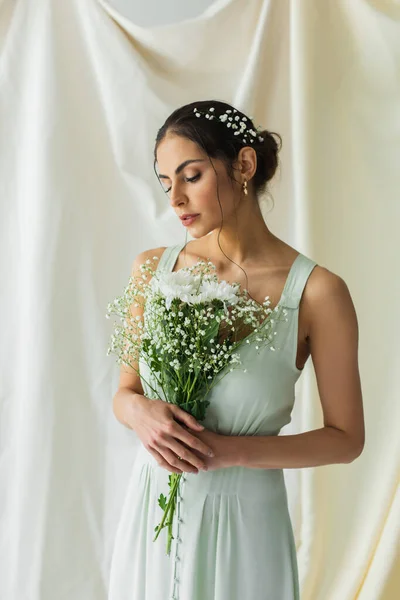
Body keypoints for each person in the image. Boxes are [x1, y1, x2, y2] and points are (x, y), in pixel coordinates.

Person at [108, 100, 365, 600]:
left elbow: (346, 438)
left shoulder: (317, 293)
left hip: (247, 527)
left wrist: (232, 452)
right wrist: (138, 411)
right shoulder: (151, 271)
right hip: (153, 515)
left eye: (192, 175)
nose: (177, 199)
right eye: (166, 183)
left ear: (243, 165)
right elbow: (124, 392)